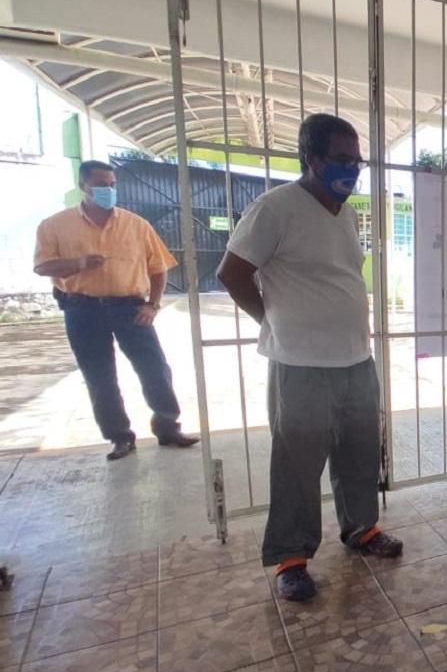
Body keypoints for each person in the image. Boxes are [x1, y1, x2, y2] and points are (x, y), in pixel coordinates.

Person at [217, 113, 402, 603]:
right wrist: (271, 319)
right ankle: (291, 558)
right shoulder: (274, 208)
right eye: (341, 159)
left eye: (357, 160)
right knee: (297, 465)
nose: (351, 169)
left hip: (356, 359)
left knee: (360, 453)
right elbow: (232, 273)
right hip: (300, 364)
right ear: (311, 158)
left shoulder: (347, 214)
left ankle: (361, 528)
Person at [33, 160, 199, 461]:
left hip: (130, 308)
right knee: (100, 377)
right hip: (82, 310)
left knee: (155, 369)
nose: (108, 190)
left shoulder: (136, 225)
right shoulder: (55, 225)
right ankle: (120, 437)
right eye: (100, 185)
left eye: (112, 184)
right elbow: (42, 266)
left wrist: (152, 305)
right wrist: (79, 264)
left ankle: (168, 427)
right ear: (83, 185)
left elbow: (159, 268)